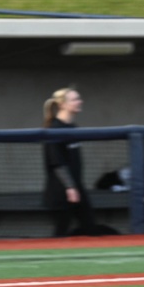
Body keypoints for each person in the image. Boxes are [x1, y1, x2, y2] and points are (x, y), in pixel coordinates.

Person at [42, 88, 97, 237]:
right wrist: (70, 187)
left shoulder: (73, 128)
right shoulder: (54, 129)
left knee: (90, 227)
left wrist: (76, 187)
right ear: (63, 105)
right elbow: (57, 162)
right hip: (61, 191)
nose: (80, 102)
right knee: (61, 231)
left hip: (77, 188)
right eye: (74, 99)